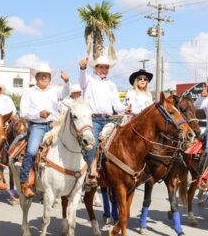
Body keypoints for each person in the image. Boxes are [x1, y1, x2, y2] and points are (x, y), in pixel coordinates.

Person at [19, 63, 70, 198]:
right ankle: (24, 181)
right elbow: (23, 112)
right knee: (31, 151)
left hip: (54, 125)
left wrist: (66, 81)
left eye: (46, 76)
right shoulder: (29, 92)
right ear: (36, 78)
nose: (44, 78)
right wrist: (38, 115)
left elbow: (65, 93)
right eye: (41, 76)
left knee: (68, 147)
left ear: (50, 79)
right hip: (37, 126)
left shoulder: (55, 90)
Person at [79, 55, 129, 188]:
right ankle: (92, 170)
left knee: (121, 143)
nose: (103, 69)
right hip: (93, 119)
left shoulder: (111, 85)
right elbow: (81, 82)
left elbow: (116, 105)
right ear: (95, 68)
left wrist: (126, 108)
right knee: (92, 144)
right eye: (101, 66)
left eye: (106, 67)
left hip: (109, 119)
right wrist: (83, 68)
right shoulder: (88, 80)